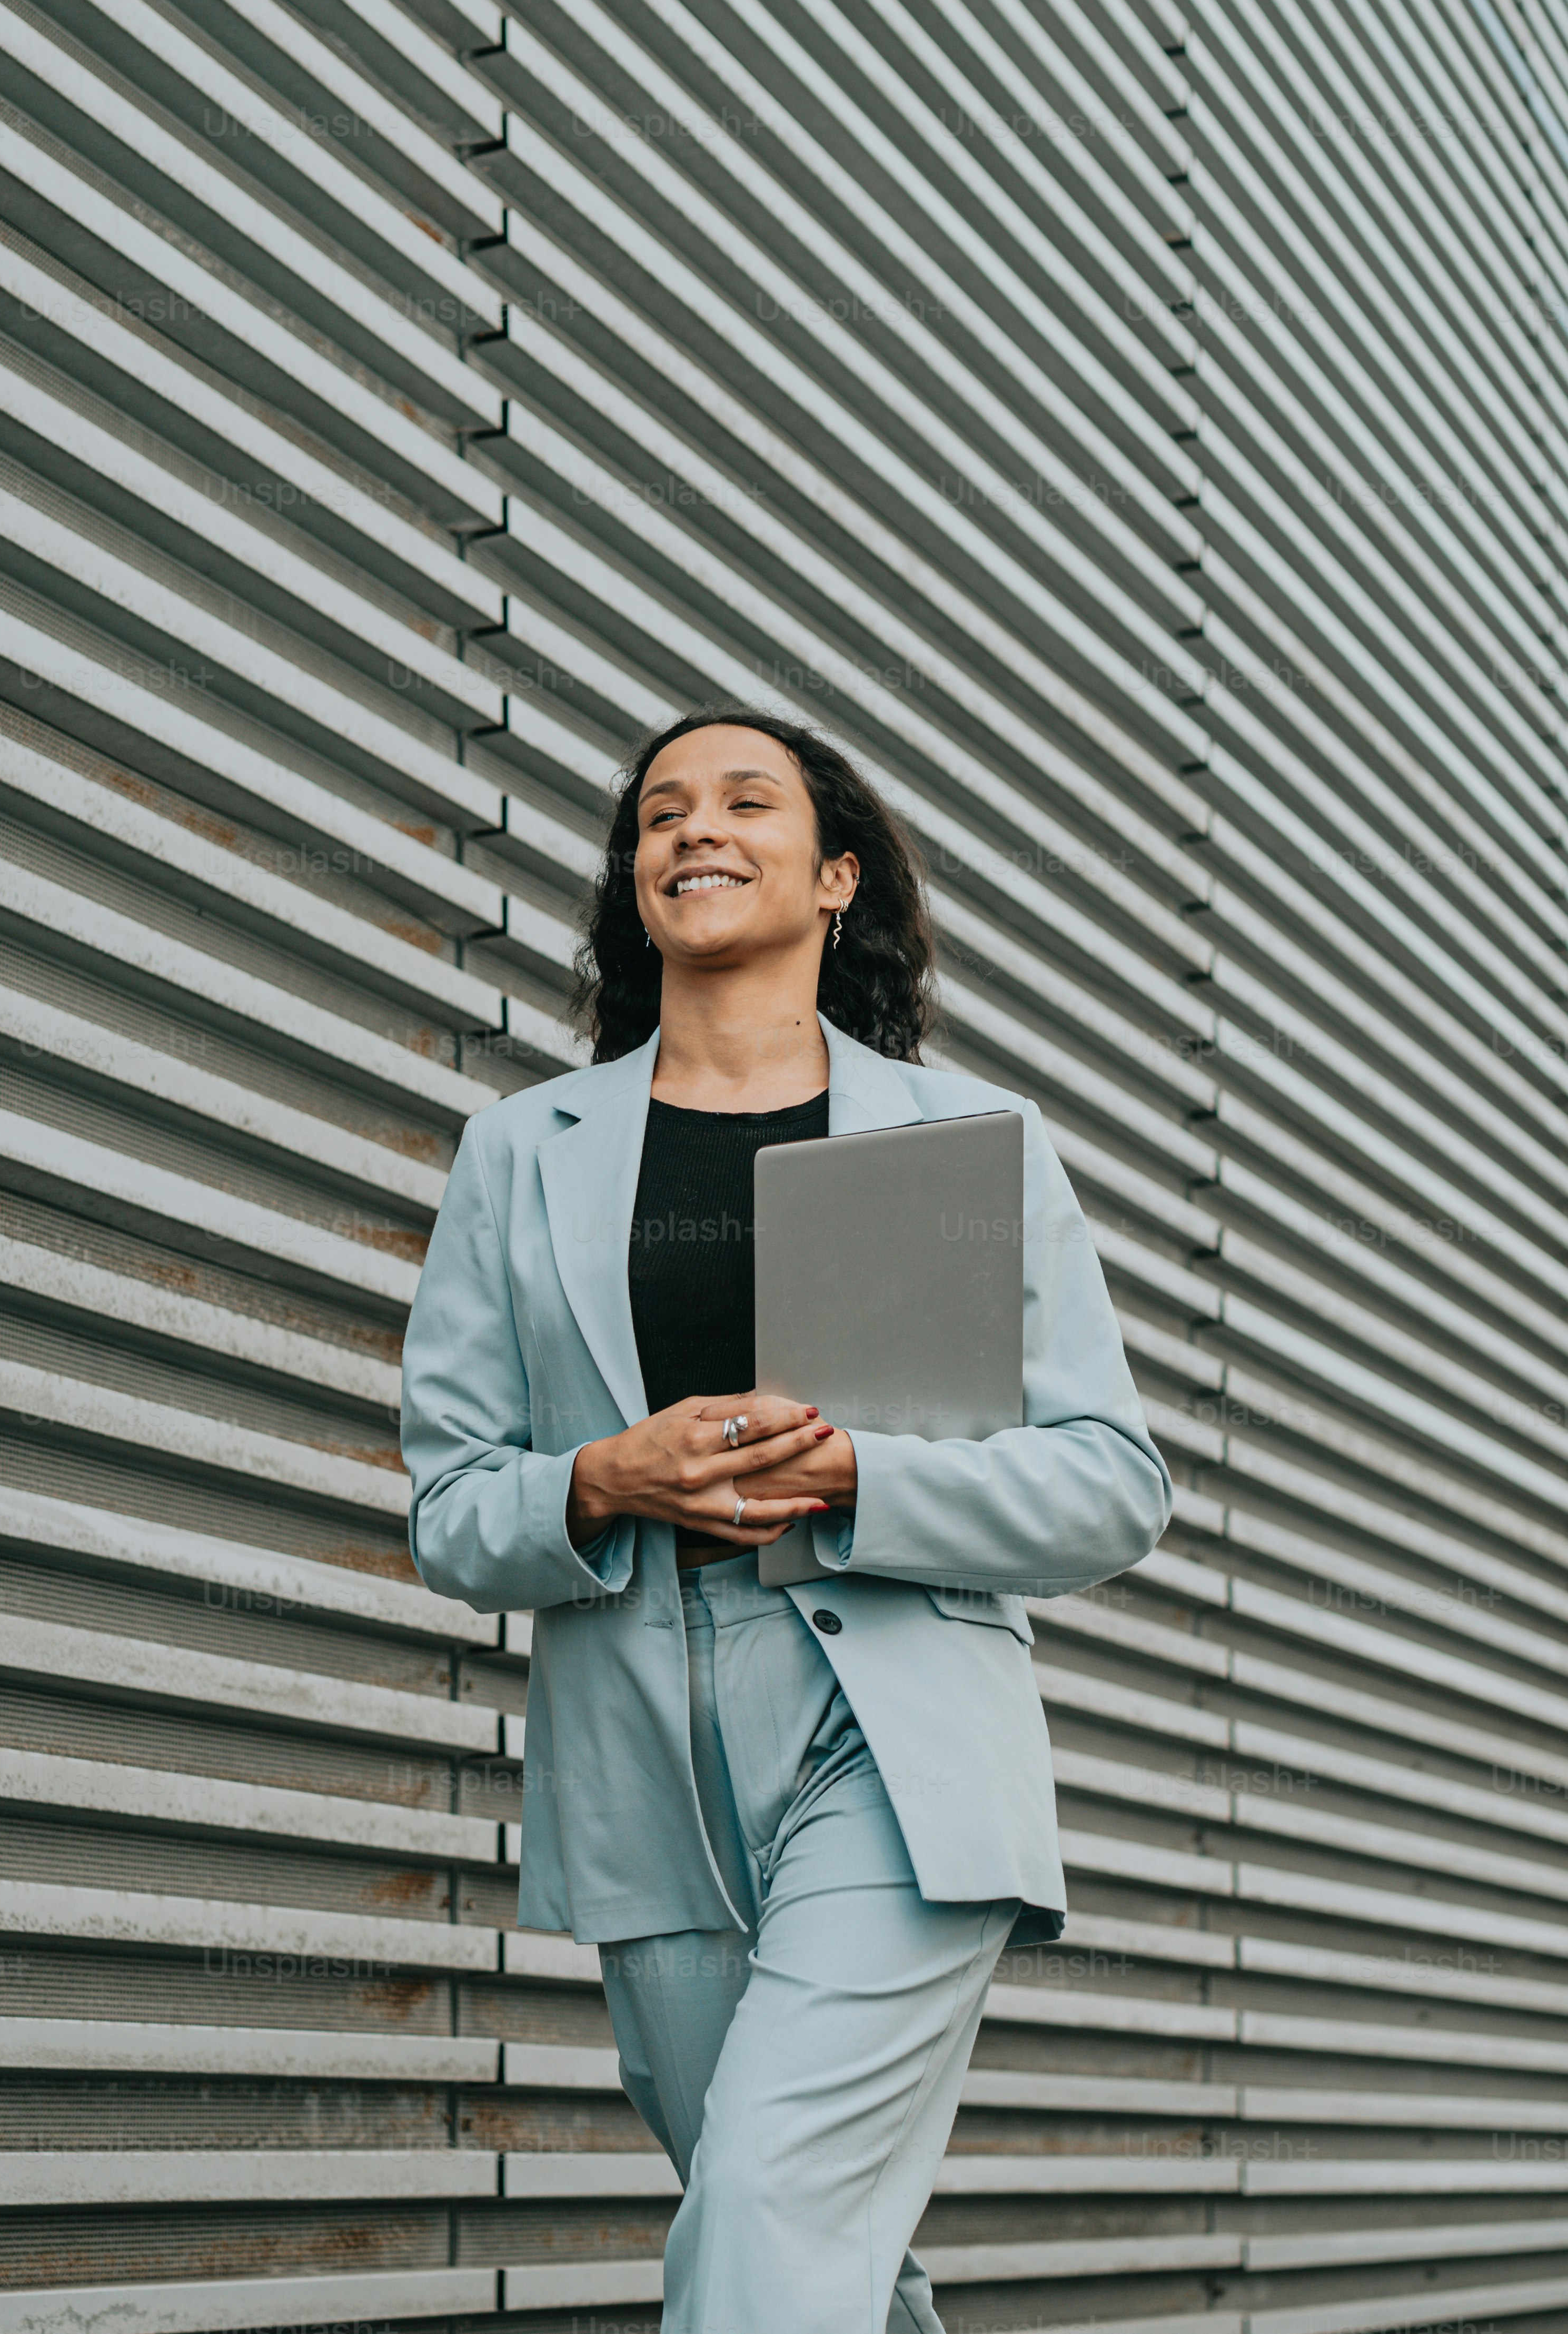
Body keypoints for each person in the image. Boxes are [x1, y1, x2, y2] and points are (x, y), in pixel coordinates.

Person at [402, 705, 1172, 2332]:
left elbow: (1112, 1481)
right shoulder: (519, 1155)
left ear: (833, 876)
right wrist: (603, 1478)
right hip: (638, 1748)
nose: (695, 826)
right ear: (633, 880)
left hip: (885, 1734)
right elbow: (453, 1508)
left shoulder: (963, 1142)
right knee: (807, 2249)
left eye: (746, 800)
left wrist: (854, 1479)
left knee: (763, 2208)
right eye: (661, 809)